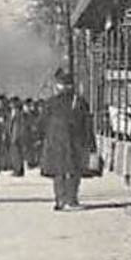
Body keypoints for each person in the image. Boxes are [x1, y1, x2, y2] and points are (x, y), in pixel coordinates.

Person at [40, 69, 92, 211]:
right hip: (75, 143)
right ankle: (71, 200)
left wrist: (44, 140)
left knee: (59, 173)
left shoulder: (50, 103)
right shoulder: (80, 102)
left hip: (56, 143)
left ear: (58, 86)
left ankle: (60, 200)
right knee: (73, 173)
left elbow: (42, 123)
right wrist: (90, 144)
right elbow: (87, 125)